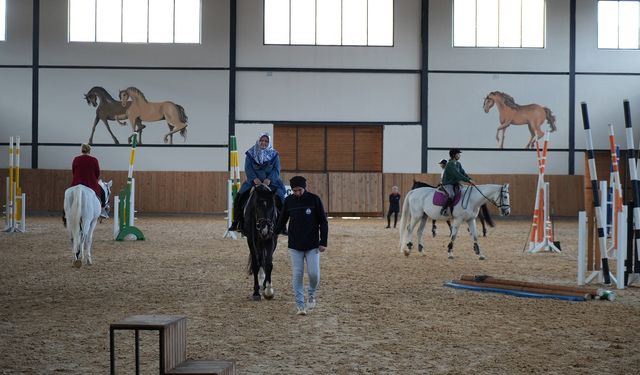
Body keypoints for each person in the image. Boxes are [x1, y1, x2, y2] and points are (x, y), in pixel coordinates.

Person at [275, 176, 328, 316]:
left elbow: (323, 221)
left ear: (304, 187)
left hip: (313, 245)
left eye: (299, 190)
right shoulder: (289, 201)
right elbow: (281, 221)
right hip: (294, 245)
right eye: (294, 190)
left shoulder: (314, 199)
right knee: (297, 274)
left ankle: (311, 293)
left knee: (314, 274)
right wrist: (273, 233)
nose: (297, 193)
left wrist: (323, 241)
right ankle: (300, 305)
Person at [229, 132, 286, 232]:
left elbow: (277, 170)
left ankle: (282, 225)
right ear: (258, 141)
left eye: (266, 141)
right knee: (239, 197)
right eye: (262, 141)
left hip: (271, 183)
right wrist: (254, 178)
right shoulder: (250, 154)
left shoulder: (275, 155)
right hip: (253, 182)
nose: (263, 143)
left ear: (269, 142)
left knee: (281, 198)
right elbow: (248, 168)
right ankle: (237, 222)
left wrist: (269, 179)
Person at [69, 143, 107, 218]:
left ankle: (66, 212)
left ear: (81, 150)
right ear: (90, 151)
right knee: (103, 192)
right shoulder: (94, 160)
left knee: (68, 194)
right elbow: (97, 173)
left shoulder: (76, 159)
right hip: (90, 184)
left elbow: (73, 171)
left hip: (76, 183)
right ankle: (102, 210)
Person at [440, 148, 474, 216]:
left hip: (455, 183)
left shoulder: (458, 164)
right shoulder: (450, 164)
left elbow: (463, 173)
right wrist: (468, 180)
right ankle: (443, 210)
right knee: (451, 195)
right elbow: (457, 175)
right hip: (448, 184)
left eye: (459, 154)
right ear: (453, 155)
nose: (459, 155)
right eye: (458, 154)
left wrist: (469, 179)